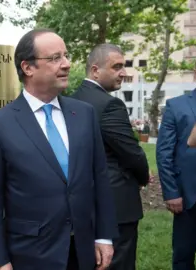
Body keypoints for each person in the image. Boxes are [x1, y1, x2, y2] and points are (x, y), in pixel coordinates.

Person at [0, 29, 117, 270]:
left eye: (66, 55)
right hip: (30, 254)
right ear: (27, 67)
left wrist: (103, 236)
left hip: (82, 251)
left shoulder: (84, 114)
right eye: (55, 58)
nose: (67, 64)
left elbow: (100, 178)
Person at [71, 44, 151, 270]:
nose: (123, 73)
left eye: (123, 67)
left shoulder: (72, 100)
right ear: (95, 70)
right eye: (116, 67)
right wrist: (145, 175)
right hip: (116, 204)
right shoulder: (110, 104)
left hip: (83, 201)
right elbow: (131, 152)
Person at [157, 51, 196, 270]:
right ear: (195, 73)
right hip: (191, 191)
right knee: (183, 253)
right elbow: (164, 152)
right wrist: (171, 192)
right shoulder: (176, 105)